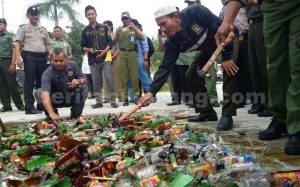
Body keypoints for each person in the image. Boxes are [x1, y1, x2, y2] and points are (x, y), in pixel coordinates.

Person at [217, 0, 300, 155]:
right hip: (271, 7)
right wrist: (227, 21)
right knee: (274, 65)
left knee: (297, 65)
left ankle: (297, 124)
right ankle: (280, 118)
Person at [139, 5, 237, 131]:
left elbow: (222, 28)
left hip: (228, 40)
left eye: (164, 23)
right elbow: (165, 67)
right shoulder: (172, 41)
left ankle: (227, 115)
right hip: (208, 50)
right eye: (160, 26)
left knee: (228, 69)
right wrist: (151, 92)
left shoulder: (195, 12)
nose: (162, 29)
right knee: (191, 75)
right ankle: (206, 111)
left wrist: (227, 56)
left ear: (175, 17)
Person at [15, 6, 52, 114]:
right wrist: (18, 58)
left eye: (36, 14)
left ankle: (41, 104)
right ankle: (29, 106)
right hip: (29, 56)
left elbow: (48, 44)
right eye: (32, 14)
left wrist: (52, 56)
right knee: (29, 82)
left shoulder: (43, 30)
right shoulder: (23, 28)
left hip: (42, 57)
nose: (35, 16)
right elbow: (17, 43)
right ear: (28, 16)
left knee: (42, 82)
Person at [81, 5, 118, 109]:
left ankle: (113, 101)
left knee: (109, 79)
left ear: (96, 15)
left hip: (106, 58)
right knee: (96, 82)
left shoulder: (104, 27)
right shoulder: (84, 31)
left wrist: (105, 51)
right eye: (89, 14)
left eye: (92, 14)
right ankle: (99, 102)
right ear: (86, 16)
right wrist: (89, 50)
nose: (91, 16)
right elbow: (82, 47)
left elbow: (110, 43)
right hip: (93, 60)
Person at [184, 0, 219, 108]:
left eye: (191, 3)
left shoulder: (201, 12)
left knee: (210, 76)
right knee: (192, 74)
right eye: (188, 3)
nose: (189, 5)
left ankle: (213, 99)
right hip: (198, 50)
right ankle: (204, 109)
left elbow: (216, 28)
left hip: (214, 48)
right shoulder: (187, 18)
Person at [37, 47, 87, 122]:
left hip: (70, 97)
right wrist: (51, 113)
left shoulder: (73, 66)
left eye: (61, 60)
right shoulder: (47, 74)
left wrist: (79, 81)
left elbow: (85, 80)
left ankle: (76, 114)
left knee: (84, 88)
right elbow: (45, 95)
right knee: (39, 92)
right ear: (51, 60)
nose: (58, 63)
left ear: (67, 59)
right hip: (55, 99)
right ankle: (52, 115)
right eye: (55, 60)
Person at [113, 11, 145, 106]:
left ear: (130, 19)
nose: (125, 20)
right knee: (123, 77)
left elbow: (142, 37)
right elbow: (113, 42)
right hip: (122, 53)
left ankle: (136, 97)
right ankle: (125, 98)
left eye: (126, 18)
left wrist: (135, 28)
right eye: (123, 19)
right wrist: (117, 35)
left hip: (132, 53)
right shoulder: (119, 29)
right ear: (121, 20)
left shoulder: (133, 29)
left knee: (134, 76)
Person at [246, 0, 272, 117]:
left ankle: (269, 105)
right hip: (251, 25)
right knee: (254, 68)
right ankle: (259, 103)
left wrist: (254, 2)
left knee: (264, 66)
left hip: (263, 20)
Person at [0, 18, 25, 112]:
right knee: (1, 85)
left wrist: (13, 64)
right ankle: (6, 106)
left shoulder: (9, 36)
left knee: (12, 84)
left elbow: (14, 50)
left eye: (1, 24)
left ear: (5, 25)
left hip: (7, 61)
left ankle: (19, 105)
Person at [103, 20, 121, 102]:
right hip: (106, 57)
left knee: (116, 77)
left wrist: (114, 56)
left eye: (105, 26)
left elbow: (119, 48)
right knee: (106, 77)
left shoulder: (116, 35)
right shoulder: (103, 36)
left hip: (115, 56)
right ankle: (107, 97)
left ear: (110, 26)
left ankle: (119, 95)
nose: (104, 28)